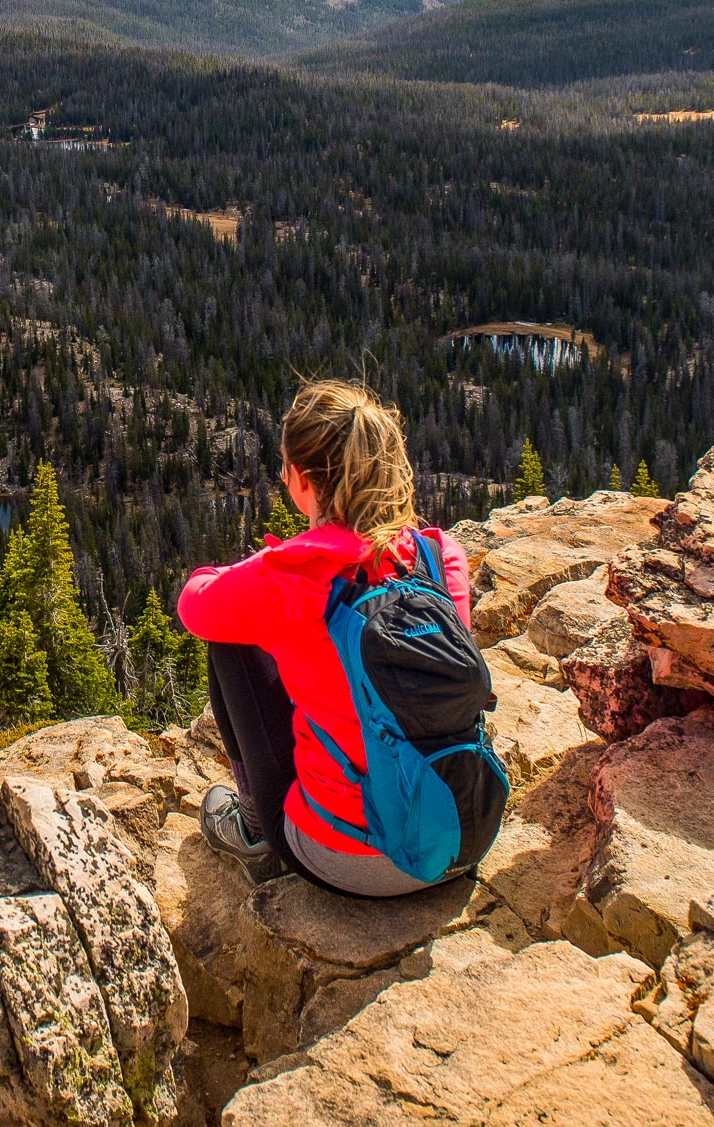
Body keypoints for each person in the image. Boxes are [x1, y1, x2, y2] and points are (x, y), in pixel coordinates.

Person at [178, 378, 494, 897]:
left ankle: (257, 828)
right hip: (462, 836)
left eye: (285, 466)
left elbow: (196, 604)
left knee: (229, 640)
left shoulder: (295, 573)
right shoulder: (440, 556)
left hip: (351, 860)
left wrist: (249, 569)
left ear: (301, 480)